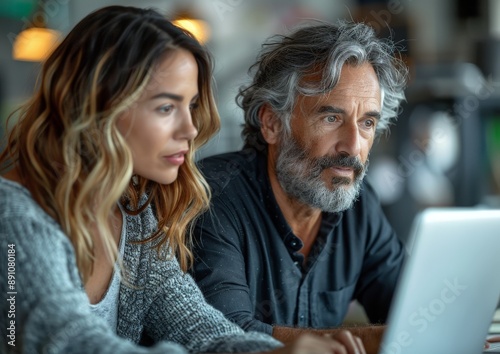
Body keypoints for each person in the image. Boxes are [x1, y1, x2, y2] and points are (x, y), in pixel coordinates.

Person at [0, 6, 366, 354]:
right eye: (165, 107)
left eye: (190, 105)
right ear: (99, 110)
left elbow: (199, 329)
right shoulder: (13, 216)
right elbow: (67, 342)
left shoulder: (134, 217)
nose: (190, 129)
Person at [191, 20, 409, 354]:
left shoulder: (360, 207)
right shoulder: (212, 199)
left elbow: (412, 308)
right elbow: (228, 337)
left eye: (367, 122)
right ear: (272, 123)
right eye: (331, 118)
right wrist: (371, 340)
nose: (352, 146)